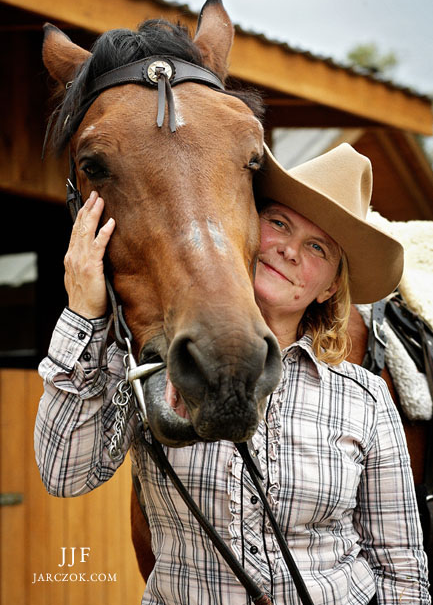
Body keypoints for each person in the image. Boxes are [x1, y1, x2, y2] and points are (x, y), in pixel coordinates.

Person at [35, 143, 430, 604]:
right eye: (278, 223)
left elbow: (400, 566)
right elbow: (64, 474)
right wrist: (83, 312)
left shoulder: (366, 399)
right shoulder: (156, 363)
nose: (288, 249)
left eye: (316, 247)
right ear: (243, 227)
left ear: (329, 288)